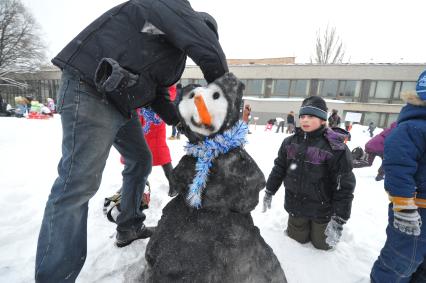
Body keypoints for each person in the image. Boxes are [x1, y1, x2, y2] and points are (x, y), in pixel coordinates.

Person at [35, 1, 229, 282]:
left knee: (141, 159)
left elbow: (158, 94)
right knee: (77, 184)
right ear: (194, 24)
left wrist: (179, 123)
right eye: (198, 34)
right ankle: (54, 277)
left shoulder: (169, 54)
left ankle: (129, 226)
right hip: (89, 89)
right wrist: (225, 93)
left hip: (119, 103)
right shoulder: (165, 9)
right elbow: (207, 48)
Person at [263, 96, 356, 250]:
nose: (305, 120)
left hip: (322, 210)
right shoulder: (289, 143)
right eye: (302, 116)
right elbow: (279, 168)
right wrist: (269, 190)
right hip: (296, 205)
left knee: (322, 245)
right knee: (295, 242)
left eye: (311, 116)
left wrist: (339, 219)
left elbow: (344, 185)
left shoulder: (335, 148)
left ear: (322, 120)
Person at [370, 70, 426, 283]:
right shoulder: (413, 128)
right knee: (401, 261)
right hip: (415, 211)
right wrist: (403, 206)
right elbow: (398, 166)